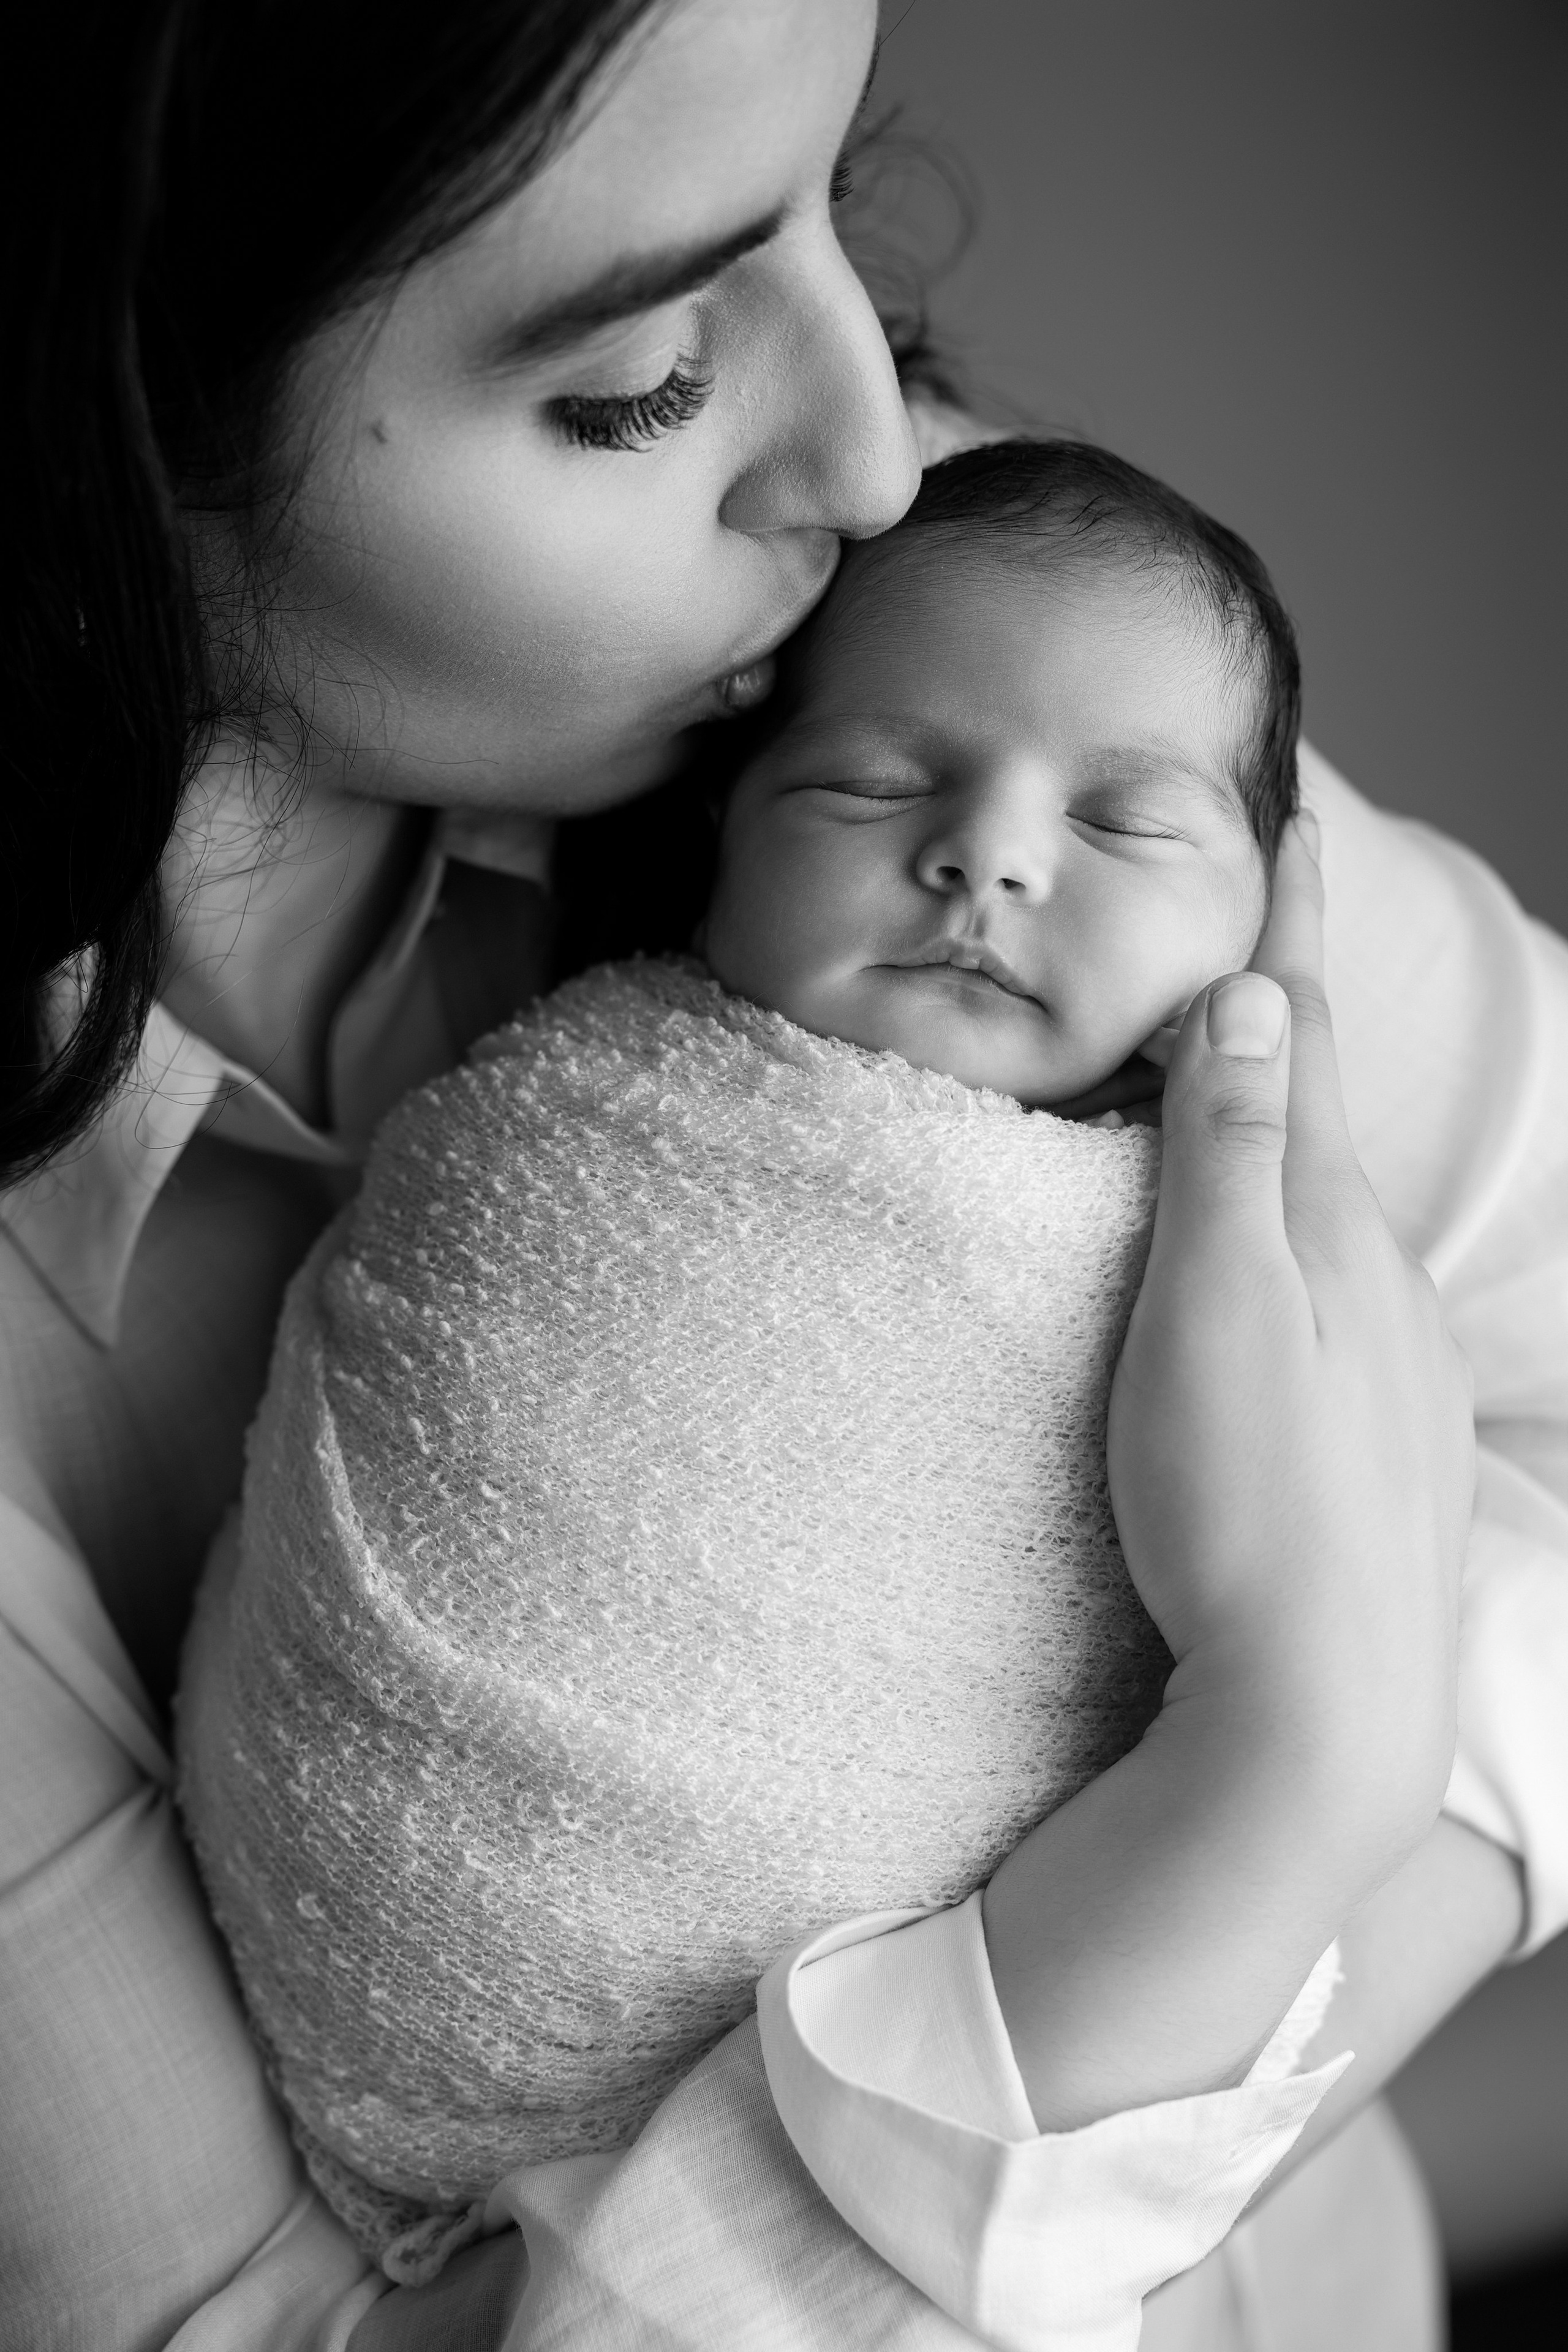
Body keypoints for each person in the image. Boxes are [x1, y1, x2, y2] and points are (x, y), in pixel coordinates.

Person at [1, 4, 1559, 2348]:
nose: (869, 457)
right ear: (102, 444)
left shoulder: (1000, 691)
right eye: (636, 378)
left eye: (839, 187)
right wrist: (1290, 1773)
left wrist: (1326, 1799)